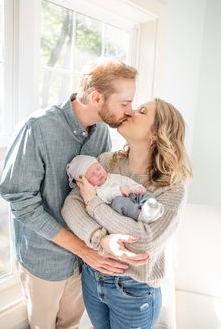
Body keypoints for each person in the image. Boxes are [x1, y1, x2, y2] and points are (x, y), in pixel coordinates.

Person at [0, 57, 149, 329]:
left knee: (70, 324)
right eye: (125, 103)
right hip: (45, 258)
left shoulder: (102, 130)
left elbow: (98, 191)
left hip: (86, 260)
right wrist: (84, 249)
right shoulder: (38, 128)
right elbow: (21, 203)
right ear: (96, 97)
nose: (129, 111)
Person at [62, 98, 192, 329]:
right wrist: (101, 239)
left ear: (156, 134)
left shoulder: (171, 187)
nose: (130, 111)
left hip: (135, 290)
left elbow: (143, 240)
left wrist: (93, 203)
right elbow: (70, 206)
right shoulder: (105, 163)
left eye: (142, 111)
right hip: (93, 276)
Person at [66, 154, 164, 223]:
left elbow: (126, 181)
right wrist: (119, 191)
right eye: (92, 175)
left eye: (98, 168)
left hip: (132, 194)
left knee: (144, 193)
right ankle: (141, 214)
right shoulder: (96, 190)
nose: (98, 173)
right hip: (121, 206)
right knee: (119, 202)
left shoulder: (112, 176)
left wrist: (136, 187)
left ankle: (151, 205)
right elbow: (106, 196)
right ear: (86, 182)